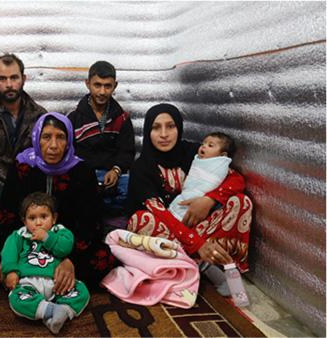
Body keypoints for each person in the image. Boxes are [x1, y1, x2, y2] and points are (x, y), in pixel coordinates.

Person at [0, 112, 115, 293]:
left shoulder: (82, 171)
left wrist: (69, 259)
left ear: (69, 141)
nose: (53, 145)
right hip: (25, 241)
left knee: (104, 256)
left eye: (60, 137)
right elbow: (7, 214)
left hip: (64, 243)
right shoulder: (23, 166)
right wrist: (10, 259)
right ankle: (45, 279)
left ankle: (35, 278)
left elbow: (90, 223)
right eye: (46, 137)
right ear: (37, 139)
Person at [125, 103, 254, 282]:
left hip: (200, 226)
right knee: (140, 220)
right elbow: (159, 212)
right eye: (156, 128)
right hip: (166, 230)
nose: (164, 134)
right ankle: (199, 261)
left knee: (241, 201)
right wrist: (197, 243)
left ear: (179, 127)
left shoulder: (196, 153)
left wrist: (209, 200)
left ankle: (207, 262)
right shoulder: (142, 167)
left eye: (170, 126)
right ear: (148, 131)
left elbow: (236, 179)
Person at [0, 53, 48, 217]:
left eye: (14, 78)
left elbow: (44, 153)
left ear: (24, 79)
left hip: (31, 178)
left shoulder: (40, 115)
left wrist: (28, 179)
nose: (9, 84)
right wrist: (13, 178)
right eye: (2, 79)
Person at [2, 192, 89, 334]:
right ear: (24, 221)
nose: (38, 223)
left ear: (54, 218)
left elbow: (65, 248)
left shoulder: (60, 231)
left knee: (81, 290)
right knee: (16, 298)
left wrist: (47, 238)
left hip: (57, 283)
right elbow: (9, 253)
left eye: (44, 217)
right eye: (32, 218)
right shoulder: (19, 235)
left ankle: (64, 311)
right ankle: (48, 311)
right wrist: (11, 271)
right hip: (28, 282)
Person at [66, 61, 135, 216]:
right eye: (97, 85)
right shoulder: (73, 118)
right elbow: (69, 154)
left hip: (113, 177)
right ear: (87, 84)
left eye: (107, 86)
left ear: (115, 86)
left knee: (132, 186)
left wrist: (116, 171)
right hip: (84, 177)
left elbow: (127, 151)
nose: (102, 92)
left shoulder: (122, 118)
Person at [167, 132, 236, 221]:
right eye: (203, 143)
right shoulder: (195, 158)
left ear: (222, 156)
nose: (203, 146)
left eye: (210, 145)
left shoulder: (221, 166)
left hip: (203, 205)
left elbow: (237, 181)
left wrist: (210, 200)